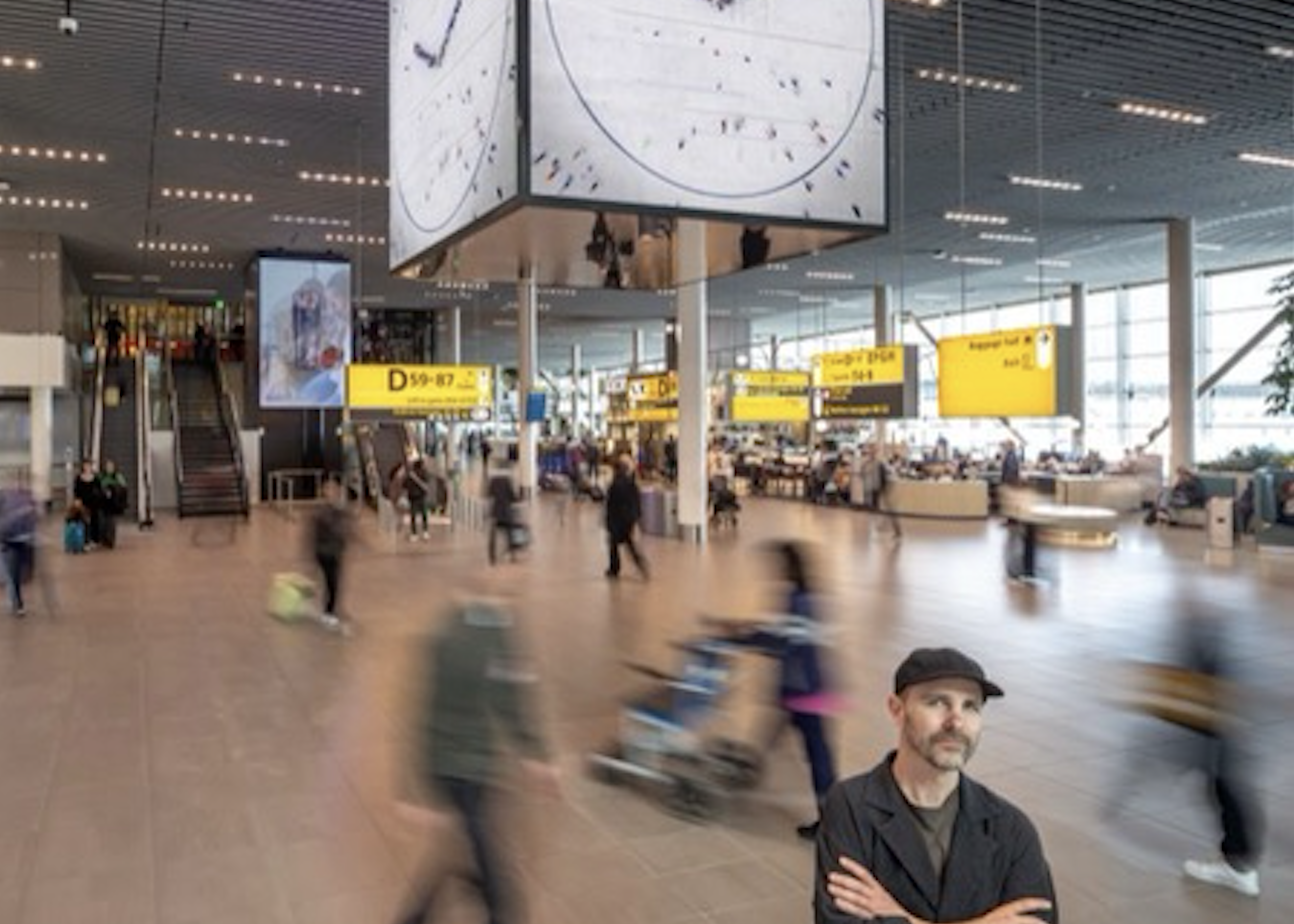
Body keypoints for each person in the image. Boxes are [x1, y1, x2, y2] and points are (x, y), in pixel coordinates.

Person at [817, 648, 1057, 924]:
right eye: (937, 702)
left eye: (970, 706)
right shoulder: (851, 806)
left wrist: (904, 919)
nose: (956, 721)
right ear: (897, 710)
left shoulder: (1012, 828)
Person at [394, 583, 559, 924]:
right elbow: (509, 700)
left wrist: (409, 787)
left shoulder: (443, 631)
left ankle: (434, 910)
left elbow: (421, 707)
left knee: (463, 842)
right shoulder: (496, 637)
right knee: (478, 844)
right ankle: (495, 910)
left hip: (441, 762)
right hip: (472, 763)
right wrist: (535, 753)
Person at [722, 541, 838, 840]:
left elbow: (782, 640)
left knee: (816, 752)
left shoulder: (797, 600)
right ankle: (746, 768)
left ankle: (831, 819)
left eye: (778, 564)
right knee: (794, 741)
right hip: (810, 685)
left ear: (788, 566)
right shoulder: (806, 596)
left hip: (802, 690)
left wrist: (741, 637)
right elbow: (784, 635)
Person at [311, 478, 351, 634]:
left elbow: (346, 529)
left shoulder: (337, 510)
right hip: (325, 552)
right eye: (331, 491)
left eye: (336, 490)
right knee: (331, 583)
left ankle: (331, 609)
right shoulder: (323, 512)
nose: (334, 494)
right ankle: (328, 612)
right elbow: (321, 533)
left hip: (335, 551)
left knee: (335, 582)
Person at [604, 454, 649, 580]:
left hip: (617, 521)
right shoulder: (631, 483)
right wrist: (637, 517)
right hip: (628, 519)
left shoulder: (614, 485)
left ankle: (614, 569)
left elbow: (611, 504)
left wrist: (608, 520)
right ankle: (641, 565)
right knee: (630, 545)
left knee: (613, 545)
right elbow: (636, 501)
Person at [0, 479, 37, 617]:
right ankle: (17, 603)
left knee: (14, 575)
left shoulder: (8, 498)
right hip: (15, 542)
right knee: (13, 575)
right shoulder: (26, 499)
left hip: (12, 542)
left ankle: (16, 602)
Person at [486, 462, 520, 565]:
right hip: (505, 512)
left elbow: (488, 494)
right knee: (510, 533)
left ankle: (492, 556)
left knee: (493, 535)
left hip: (495, 512)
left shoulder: (493, 481)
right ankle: (513, 554)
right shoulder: (507, 481)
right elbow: (513, 497)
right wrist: (517, 499)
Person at [72, 459, 103, 548]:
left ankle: (94, 539)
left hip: (94, 503)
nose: (87, 467)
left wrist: (98, 498)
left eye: (89, 465)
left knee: (94, 521)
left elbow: (99, 489)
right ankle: (85, 540)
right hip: (83, 503)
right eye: (85, 465)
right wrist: (77, 500)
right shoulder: (79, 478)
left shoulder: (96, 478)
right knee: (83, 521)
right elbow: (76, 490)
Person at [98, 458, 128, 549]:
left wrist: (114, 489)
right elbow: (96, 485)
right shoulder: (101, 476)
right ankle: (103, 539)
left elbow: (123, 487)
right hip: (102, 502)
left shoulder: (118, 476)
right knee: (102, 522)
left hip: (113, 503)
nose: (109, 468)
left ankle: (110, 540)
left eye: (111, 466)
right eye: (107, 466)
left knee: (111, 522)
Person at [405, 455, 431, 541]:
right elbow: (427, 482)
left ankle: (414, 533)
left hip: (413, 497)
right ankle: (425, 531)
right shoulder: (424, 472)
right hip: (421, 496)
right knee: (424, 514)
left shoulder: (410, 474)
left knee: (413, 516)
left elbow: (405, 485)